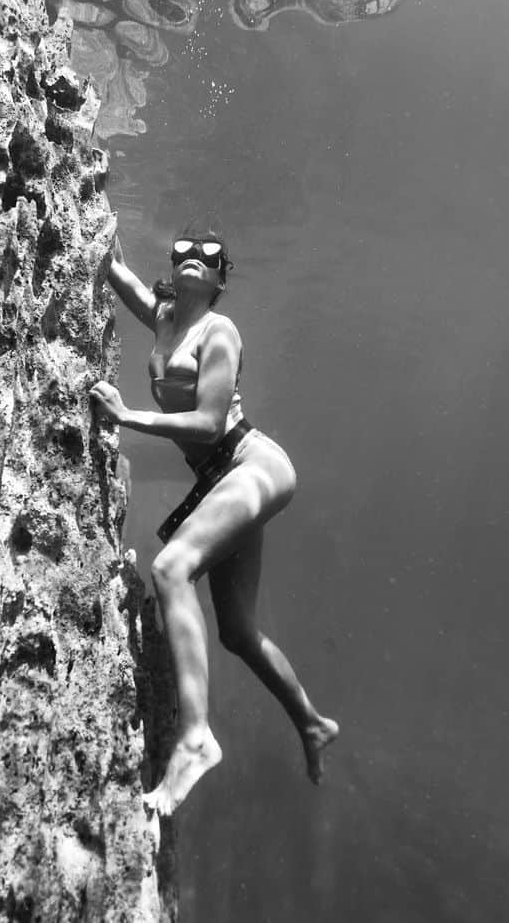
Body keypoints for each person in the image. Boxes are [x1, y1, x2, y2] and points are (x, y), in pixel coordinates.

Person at [90, 213, 340, 816]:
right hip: (219, 478)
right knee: (235, 631)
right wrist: (100, 229)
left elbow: (206, 422)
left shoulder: (218, 330)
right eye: (182, 250)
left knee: (172, 568)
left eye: (208, 252)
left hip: (254, 466)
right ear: (174, 271)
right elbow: (115, 274)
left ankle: (197, 739)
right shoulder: (167, 319)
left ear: (221, 278)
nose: (192, 253)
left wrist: (127, 418)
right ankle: (310, 721)